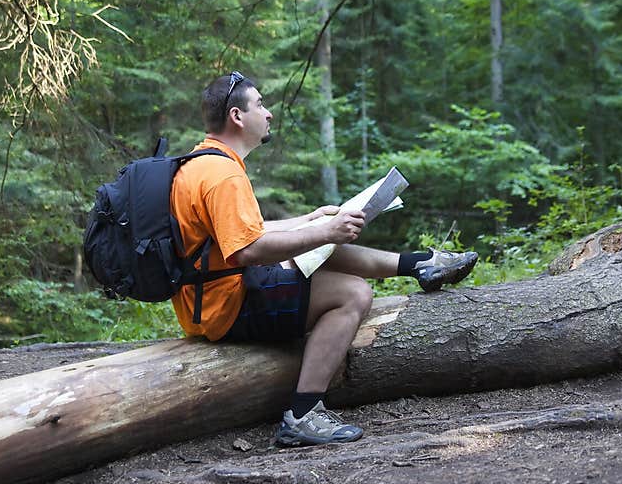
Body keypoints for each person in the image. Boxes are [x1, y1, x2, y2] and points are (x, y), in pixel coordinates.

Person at [170, 71, 478, 447]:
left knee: (318, 249)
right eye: (261, 104)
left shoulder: (202, 162)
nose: (268, 114)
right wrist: (326, 232)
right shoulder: (223, 174)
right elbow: (246, 250)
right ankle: (303, 414)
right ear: (237, 116)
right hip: (226, 306)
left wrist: (312, 220)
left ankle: (419, 264)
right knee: (353, 294)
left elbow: (242, 232)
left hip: (210, 296)